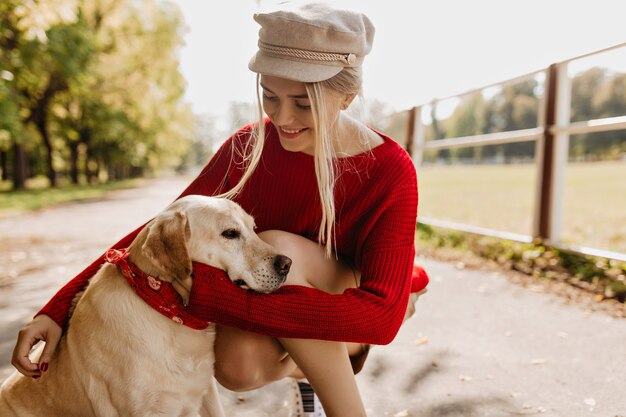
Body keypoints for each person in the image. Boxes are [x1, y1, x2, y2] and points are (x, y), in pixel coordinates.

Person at [11, 3, 429, 417]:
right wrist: (57, 309)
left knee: (278, 244)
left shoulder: (390, 170)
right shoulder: (249, 146)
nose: (282, 118)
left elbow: (380, 318)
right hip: (273, 290)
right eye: (270, 96)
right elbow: (160, 230)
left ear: (347, 97)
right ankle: (310, 376)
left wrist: (213, 297)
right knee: (236, 366)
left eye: (302, 104)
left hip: (350, 309)